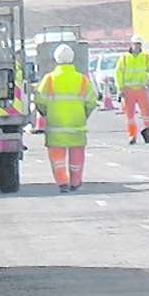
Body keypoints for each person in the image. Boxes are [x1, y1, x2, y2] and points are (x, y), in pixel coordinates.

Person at [37, 44, 97, 193]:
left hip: (55, 126)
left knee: (57, 159)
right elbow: (91, 102)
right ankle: (75, 183)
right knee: (76, 157)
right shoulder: (81, 79)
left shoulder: (49, 79)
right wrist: (83, 115)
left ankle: (62, 182)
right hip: (77, 126)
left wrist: (46, 113)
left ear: (55, 59)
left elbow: (39, 100)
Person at [114, 35, 149, 145]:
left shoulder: (145, 57)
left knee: (147, 115)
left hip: (141, 89)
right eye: (135, 44)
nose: (137, 46)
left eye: (139, 44)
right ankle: (132, 136)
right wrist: (120, 88)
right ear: (131, 44)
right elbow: (118, 73)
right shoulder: (124, 58)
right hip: (128, 90)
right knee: (130, 116)